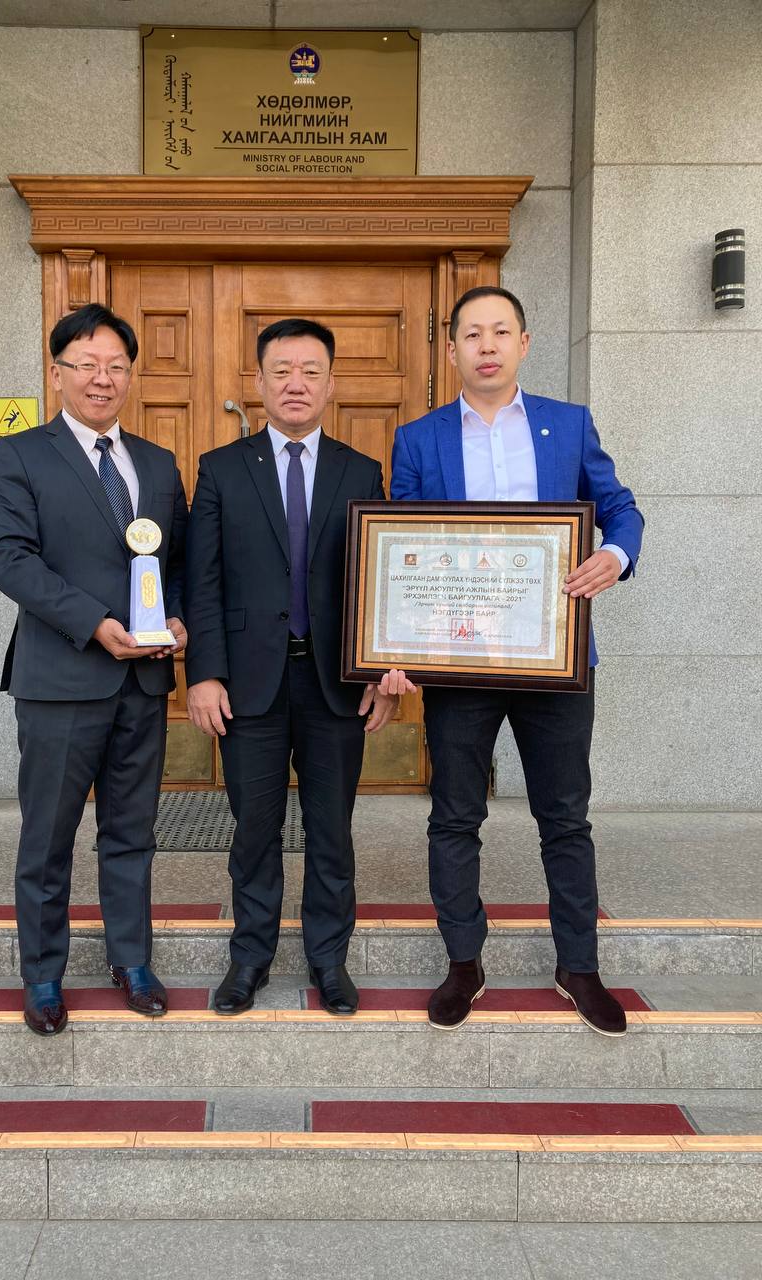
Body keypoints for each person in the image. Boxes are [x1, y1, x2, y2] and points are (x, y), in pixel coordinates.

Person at [383, 286, 643, 1037]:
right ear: (452, 349)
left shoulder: (569, 425)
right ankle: (463, 962)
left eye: (500, 331)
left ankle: (578, 966)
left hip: (553, 658)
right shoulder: (419, 439)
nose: (487, 345)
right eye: (472, 333)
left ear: (524, 343)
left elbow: (621, 507)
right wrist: (393, 648)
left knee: (565, 817)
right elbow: (399, 547)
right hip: (459, 662)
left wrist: (615, 555)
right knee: (454, 815)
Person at [0, 303, 188, 1035]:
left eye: (116, 366)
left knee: (132, 831)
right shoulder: (19, 455)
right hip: (61, 678)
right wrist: (95, 623)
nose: (103, 379)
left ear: (130, 375)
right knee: (48, 836)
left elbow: (177, 563)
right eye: (87, 364)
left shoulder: (158, 464)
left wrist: (177, 619)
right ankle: (42, 973)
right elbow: (9, 559)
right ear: (58, 372)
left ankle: (131, 959)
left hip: (143, 680)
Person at [184, 318, 399, 1016]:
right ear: (259, 382)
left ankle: (329, 960)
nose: (296, 383)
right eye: (282, 371)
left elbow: (379, 581)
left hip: (335, 684)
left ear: (331, 384)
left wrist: (382, 670)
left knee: (332, 831)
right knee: (255, 830)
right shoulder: (221, 468)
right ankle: (250, 958)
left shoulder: (360, 471)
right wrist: (204, 673)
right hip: (248, 684)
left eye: (311, 371)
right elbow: (201, 580)